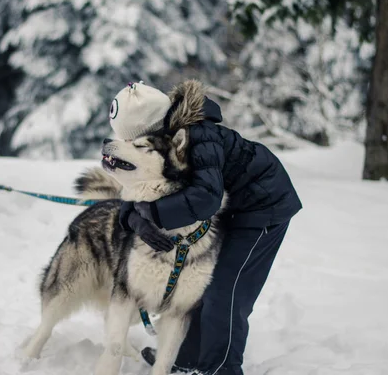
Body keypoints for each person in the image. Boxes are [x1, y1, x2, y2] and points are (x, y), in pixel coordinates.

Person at [110, 81, 302, 375]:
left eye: (136, 141)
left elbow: (206, 198)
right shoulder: (165, 138)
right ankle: (187, 358)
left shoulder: (200, 136)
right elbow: (139, 185)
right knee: (202, 288)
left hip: (263, 207)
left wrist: (154, 213)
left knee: (225, 293)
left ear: (149, 128)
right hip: (232, 206)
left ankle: (222, 368)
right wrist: (135, 217)